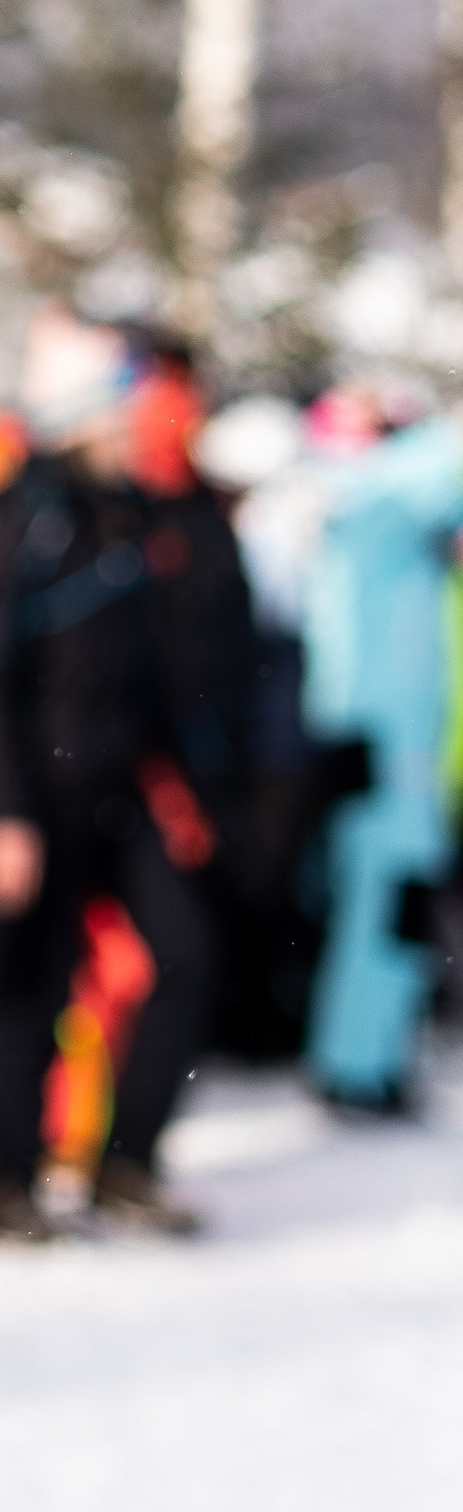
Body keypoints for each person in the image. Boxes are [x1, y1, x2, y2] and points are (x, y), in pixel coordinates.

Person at [0, 306, 257, 1239]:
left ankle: (125, 1164)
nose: (136, 427)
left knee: (187, 958)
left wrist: (180, 787)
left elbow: (156, 669)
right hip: (40, 794)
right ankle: (9, 1186)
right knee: (34, 988)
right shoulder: (31, 515)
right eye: (120, 411)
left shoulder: (131, 511)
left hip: (126, 788)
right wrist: (5, 811)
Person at [300, 409, 463, 1115]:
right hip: (378, 749)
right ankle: (354, 1063)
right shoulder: (376, 513)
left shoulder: (384, 527)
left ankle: (374, 1056)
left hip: (398, 748)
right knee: (381, 906)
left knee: (395, 908)